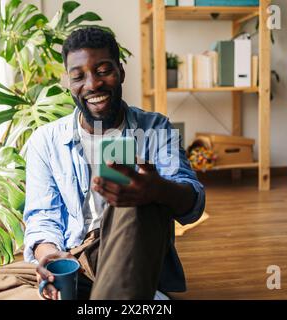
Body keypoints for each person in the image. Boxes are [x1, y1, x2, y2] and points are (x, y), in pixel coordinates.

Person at [24, 27, 205, 300]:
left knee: (136, 202)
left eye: (103, 70)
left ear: (120, 72)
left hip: (133, 259)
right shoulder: (46, 140)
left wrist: (157, 189)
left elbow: (192, 205)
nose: (93, 84)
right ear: (69, 83)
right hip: (75, 262)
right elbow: (42, 218)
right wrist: (49, 256)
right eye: (78, 76)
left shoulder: (156, 129)